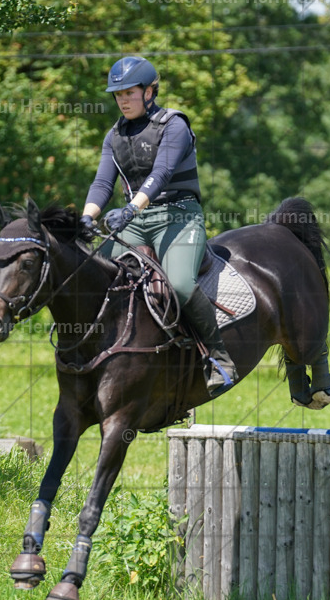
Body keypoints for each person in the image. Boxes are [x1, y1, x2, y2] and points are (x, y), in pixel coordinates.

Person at [80, 56, 237, 397]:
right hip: (135, 221)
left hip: (178, 216)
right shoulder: (114, 135)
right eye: (118, 94)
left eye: (129, 93)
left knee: (179, 284)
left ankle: (218, 358)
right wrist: (87, 217)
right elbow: (103, 183)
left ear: (149, 92)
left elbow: (161, 173)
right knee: (93, 275)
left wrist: (130, 208)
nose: (123, 100)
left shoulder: (174, 125)